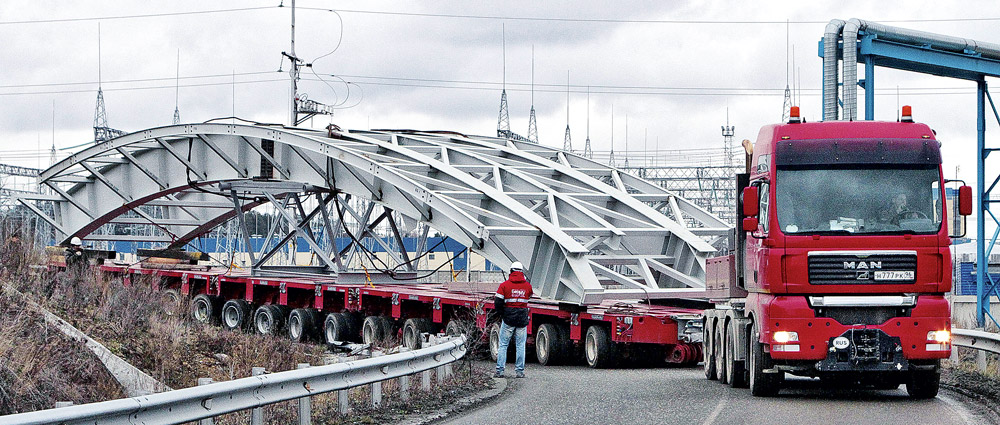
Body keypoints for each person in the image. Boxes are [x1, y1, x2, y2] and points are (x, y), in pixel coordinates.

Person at [493, 261, 532, 378]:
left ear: (511, 271)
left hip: (508, 319)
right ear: (521, 272)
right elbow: (529, 296)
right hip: (522, 319)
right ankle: (519, 371)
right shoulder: (527, 286)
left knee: (503, 344)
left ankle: (500, 371)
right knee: (520, 345)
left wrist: (502, 314)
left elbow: (497, 302)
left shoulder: (504, 285)